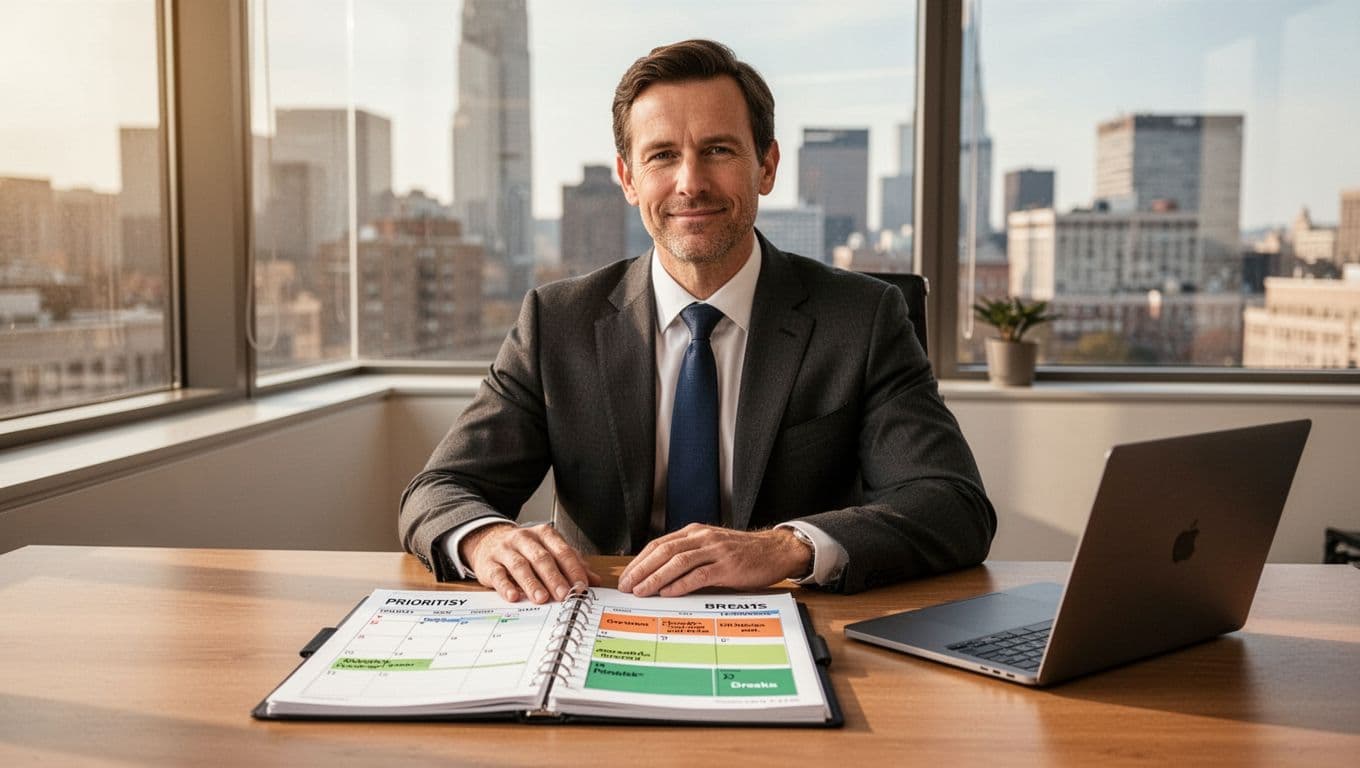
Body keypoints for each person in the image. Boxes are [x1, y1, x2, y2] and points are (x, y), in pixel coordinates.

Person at [399, 39, 994, 602]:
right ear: (629, 178)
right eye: (662, 155)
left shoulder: (861, 319)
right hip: (602, 623)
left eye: (718, 150)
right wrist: (487, 538)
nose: (691, 183)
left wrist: (786, 547)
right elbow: (438, 492)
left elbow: (951, 503)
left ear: (766, 165)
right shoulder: (556, 323)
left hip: (794, 629)